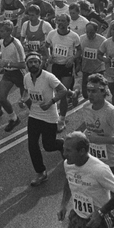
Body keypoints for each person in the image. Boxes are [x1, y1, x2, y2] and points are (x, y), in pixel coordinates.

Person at [22, 53, 68, 187]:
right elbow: (26, 92)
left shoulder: (48, 77)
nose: (33, 65)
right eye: (30, 62)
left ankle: (61, 145)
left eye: (36, 62)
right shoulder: (26, 77)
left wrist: (51, 102)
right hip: (34, 115)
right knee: (32, 145)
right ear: (27, 64)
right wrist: (23, 99)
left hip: (49, 117)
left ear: (40, 63)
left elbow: (63, 91)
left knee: (48, 146)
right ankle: (41, 173)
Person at [0, 20, 25, 133]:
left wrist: (6, 63)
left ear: (9, 31)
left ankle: (40, 119)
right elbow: (4, 53)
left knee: (26, 101)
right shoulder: (2, 42)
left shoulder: (17, 44)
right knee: (1, 98)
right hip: (8, 73)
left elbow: (23, 64)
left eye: (2, 31)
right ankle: (14, 118)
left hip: (19, 74)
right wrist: (0, 61)